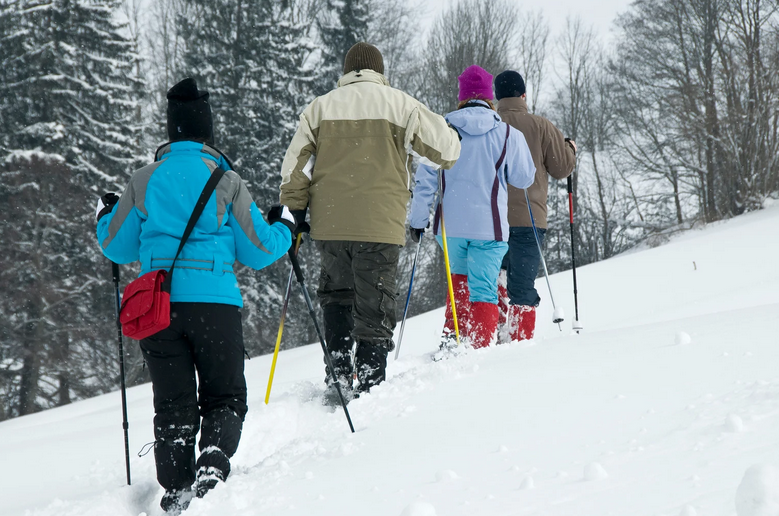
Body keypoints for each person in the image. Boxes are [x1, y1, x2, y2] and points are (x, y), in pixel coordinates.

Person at [95, 78, 295, 513]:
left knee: (173, 402)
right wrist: (287, 227)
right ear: (206, 128)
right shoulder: (225, 180)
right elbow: (259, 251)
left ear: (172, 130)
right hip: (216, 306)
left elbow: (116, 245)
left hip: (159, 309)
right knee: (224, 395)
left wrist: (105, 214)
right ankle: (213, 462)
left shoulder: (143, 180)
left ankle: (176, 489)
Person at [279, 42, 461, 398]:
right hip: (380, 225)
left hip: (330, 225)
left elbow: (294, 169)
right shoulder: (401, 105)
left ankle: (340, 372)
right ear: (380, 71)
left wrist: (295, 212)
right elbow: (447, 152)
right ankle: (371, 378)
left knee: (337, 295)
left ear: (346, 73)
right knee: (375, 302)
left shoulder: (319, 109)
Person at [408, 65, 536, 350]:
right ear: (489, 97)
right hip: (489, 229)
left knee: (459, 286)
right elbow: (524, 177)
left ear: (462, 96)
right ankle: (479, 349)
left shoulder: (442, 130)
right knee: (484, 291)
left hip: (451, 228)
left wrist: (417, 220)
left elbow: (425, 180)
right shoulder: (507, 134)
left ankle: (455, 343)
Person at [493, 71, 577, 342]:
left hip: (493, 221)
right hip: (530, 220)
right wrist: (570, 149)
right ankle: (518, 344)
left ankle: (494, 336)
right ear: (523, 95)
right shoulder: (540, 126)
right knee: (523, 286)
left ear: (496, 96)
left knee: (496, 280)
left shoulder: (490, 124)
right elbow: (562, 168)